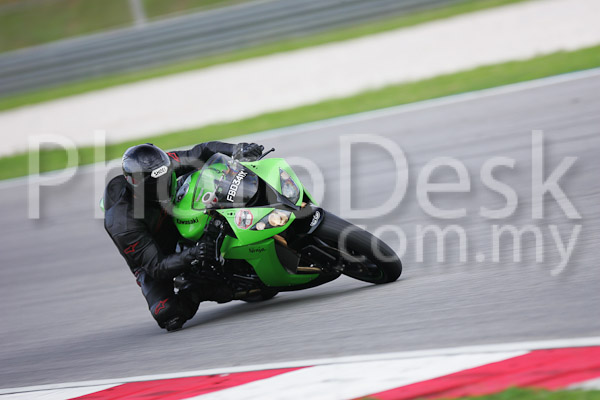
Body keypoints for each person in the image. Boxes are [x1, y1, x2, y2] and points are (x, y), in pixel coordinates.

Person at [103, 141, 264, 331]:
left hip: (172, 213)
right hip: (152, 251)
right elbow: (157, 267)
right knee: (167, 313)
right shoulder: (123, 223)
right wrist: (195, 253)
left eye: (166, 177)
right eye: (157, 184)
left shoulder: (161, 165)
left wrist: (237, 149)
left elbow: (201, 152)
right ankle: (198, 288)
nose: (165, 184)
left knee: (213, 182)